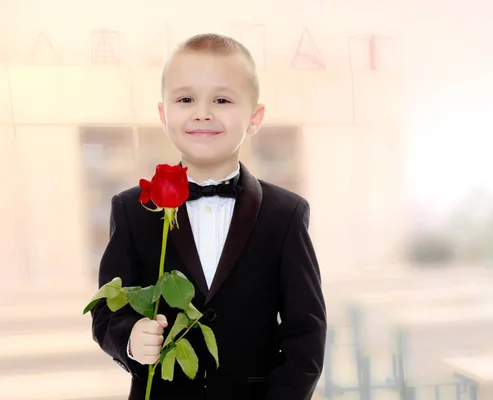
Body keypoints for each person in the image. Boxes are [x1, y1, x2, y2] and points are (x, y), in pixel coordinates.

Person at [90, 33, 327, 400]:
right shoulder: (131, 208)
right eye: (186, 99)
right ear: (163, 115)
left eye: (222, 99)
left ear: (255, 117)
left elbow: (305, 332)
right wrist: (131, 340)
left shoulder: (287, 213)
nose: (203, 111)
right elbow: (108, 311)